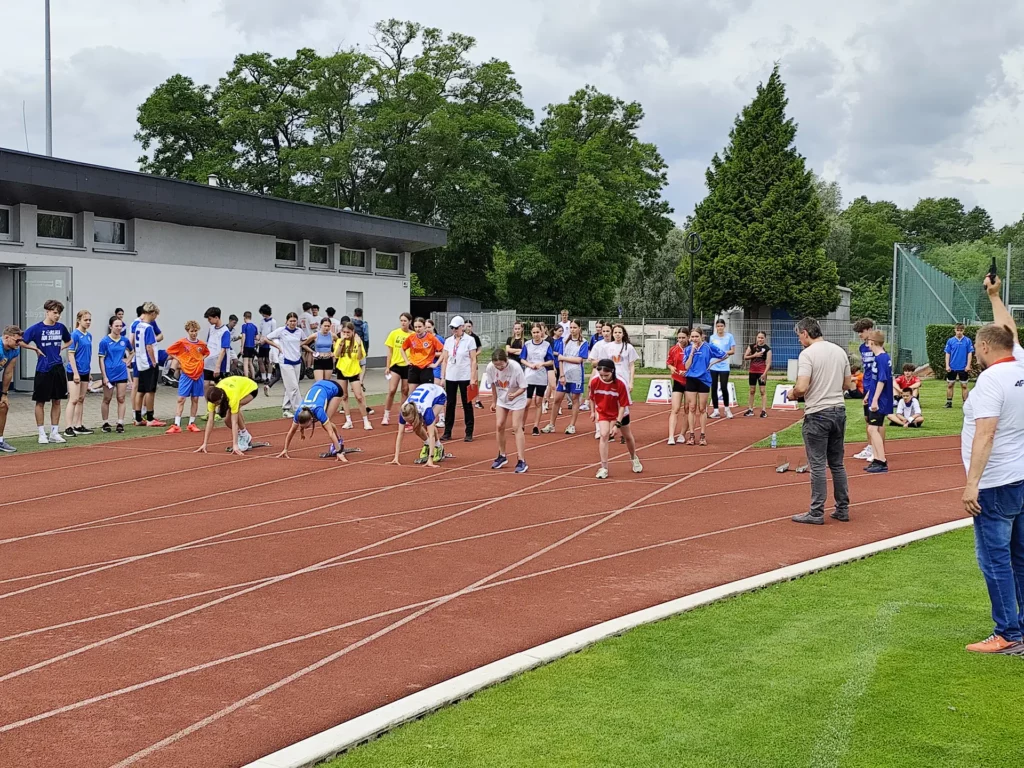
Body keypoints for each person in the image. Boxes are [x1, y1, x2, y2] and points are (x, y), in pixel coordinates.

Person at [960, 275, 1024, 655]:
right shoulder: (1020, 366)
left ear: (983, 347)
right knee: (1018, 556)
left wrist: (972, 485)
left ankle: (1007, 633)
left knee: (994, 559)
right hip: (1019, 477)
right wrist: (995, 297)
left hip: (995, 483)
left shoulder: (990, 381)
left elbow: (985, 433)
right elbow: (1010, 332)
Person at [786, 317, 853, 526]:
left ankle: (816, 512)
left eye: (799, 336)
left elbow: (802, 387)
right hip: (838, 410)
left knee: (817, 465)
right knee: (837, 464)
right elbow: (848, 384)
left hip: (817, 413)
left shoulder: (807, 354)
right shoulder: (840, 351)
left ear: (805, 333)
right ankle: (842, 508)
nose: (799, 340)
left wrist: (792, 393)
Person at [23, 299, 73, 444]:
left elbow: (69, 341)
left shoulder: (61, 328)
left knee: (57, 400)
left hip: (57, 367)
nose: (57, 316)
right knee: (40, 401)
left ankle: (54, 432)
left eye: (59, 313)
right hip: (43, 368)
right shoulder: (36, 328)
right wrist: (35, 349)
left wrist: (61, 348)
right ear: (47, 312)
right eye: (55, 313)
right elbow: (21, 341)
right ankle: (41, 433)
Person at [589, 358, 643, 479]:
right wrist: (593, 412)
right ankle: (604, 467)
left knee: (627, 436)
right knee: (604, 435)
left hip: (620, 413)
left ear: (612, 371)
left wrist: (617, 424)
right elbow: (592, 397)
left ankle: (634, 457)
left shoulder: (620, 384)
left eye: (606, 375)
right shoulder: (594, 381)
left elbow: (622, 406)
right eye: (601, 375)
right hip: (603, 412)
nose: (603, 378)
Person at [276, 379, 348, 462]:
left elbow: (330, 432)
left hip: (335, 388)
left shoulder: (318, 411)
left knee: (326, 423)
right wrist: (285, 449)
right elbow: (291, 431)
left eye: (307, 426)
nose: (305, 429)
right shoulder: (299, 412)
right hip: (319, 385)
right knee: (326, 422)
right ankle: (337, 444)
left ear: (311, 419)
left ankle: (339, 444)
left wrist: (339, 452)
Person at [486, 348, 528, 472]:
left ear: (506, 361)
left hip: (517, 398)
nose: (499, 368)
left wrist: (515, 395)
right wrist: (494, 401)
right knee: (499, 425)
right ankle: (502, 455)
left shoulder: (515, 367)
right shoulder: (490, 368)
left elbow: (524, 387)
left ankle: (521, 460)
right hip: (502, 398)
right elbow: (493, 385)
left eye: (501, 365)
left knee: (516, 426)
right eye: (496, 365)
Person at [1, 325, 42, 452]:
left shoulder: (15, 350)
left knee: (3, 406)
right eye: (17, 341)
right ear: (7, 337)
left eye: (20, 341)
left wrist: (4, 394)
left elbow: (8, 372)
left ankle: (0, 440)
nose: (19, 343)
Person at [195, 375, 259, 456]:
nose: (215, 405)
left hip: (251, 388)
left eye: (217, 403)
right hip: (235, 385)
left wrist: (235, 445)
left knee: (236, 407)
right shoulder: (212, 400)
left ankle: (244, 435)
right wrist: (204, 443)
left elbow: (234, 422)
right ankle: (244, 435)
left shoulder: (232, 397)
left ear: (221, 399)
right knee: (227, 421)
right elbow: (210, 421)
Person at [387, 383, 447, 468]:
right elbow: (400, 433)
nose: (408, 423)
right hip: (424, 391)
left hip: (439, 395)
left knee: (428, 424)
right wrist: (396, 457)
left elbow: (431, 435)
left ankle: (438, 446)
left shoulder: (426, 410)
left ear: (415, 415)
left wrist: (430, 459)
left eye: (410, 420)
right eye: (406, 421)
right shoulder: (404, 411)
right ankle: (427, 443)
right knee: (416, 426)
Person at [544, 320, 589, 435]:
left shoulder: (583, 342)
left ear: (579, 329)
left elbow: (580, 359)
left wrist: (565, 358)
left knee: (575, 400)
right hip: (565, 374)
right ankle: (551, 424)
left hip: (577, 375)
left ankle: (572, 425)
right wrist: (562, 374)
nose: (572, 330)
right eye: (571, 327)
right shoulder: (564, 341)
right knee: (557, 399)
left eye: (575, 327)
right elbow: (559, 358)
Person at [166, 321, 210, 434]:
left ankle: (191, 423)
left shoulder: (201, 344)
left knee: (195, 399)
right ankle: (176, 424)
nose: (194, 333)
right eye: (191, 331)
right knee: (181, 399)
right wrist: (180, 359)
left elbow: (207, 352)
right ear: (187, 331)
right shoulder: (182, 342)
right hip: (186, 374)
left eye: (195, 331)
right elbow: (169, 350)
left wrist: (200, 360)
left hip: (198, 374)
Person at [440, 315, 478, 442]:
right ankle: (447, 431)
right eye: (452, 328)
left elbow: (473, 360)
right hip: (451, 376)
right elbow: (445, 360)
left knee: (467, 404)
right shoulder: (448, 341)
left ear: (462, 327)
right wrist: (442, 377)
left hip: (465, 376)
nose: (454, 330)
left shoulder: (470, 340)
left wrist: (473, 378)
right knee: (450, 404)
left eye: (456, 328)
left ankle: (469, 432)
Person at [334, 321, 373, 430]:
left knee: (359, 396)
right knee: (344, 396)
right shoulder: (339, 341)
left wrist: (360, 345)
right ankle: (348, 420)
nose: (346, 334)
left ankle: (366, 421)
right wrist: (341, 343)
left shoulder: (357, 342)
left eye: (348, 332)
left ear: (353, 332)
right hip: (342, 370)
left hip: (354, 371)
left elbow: (360, 357)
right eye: (344, 332)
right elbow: (336, 355)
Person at [263, 313, 304, 418]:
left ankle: (286, 408)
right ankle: (299, 409)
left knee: (291, 386)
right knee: (293, 386)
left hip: (297, 361)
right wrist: (277, 346)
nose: (293, 323)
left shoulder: (299, 331)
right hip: (285, 361)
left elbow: (305, 340)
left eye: (294, 321)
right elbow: (266, 338)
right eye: (291, 321)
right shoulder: (281, 331)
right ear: (287, 321)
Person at [864, 330, 893, 474]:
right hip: (875, 397)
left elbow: (882, 380)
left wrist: (875, 399)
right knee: (872, 427)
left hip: (880, 399)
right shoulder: (879, 357)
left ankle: (881, 460)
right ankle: (876, 458)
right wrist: (869, 394)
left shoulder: (882, 358)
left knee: (872, 428)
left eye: (868, 341)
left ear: (872, 342)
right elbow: (876, 380)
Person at [98, 317, 133, 434]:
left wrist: (128, 360)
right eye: (116, 326)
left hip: (121, 372)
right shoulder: (104, 341)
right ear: (110, 327)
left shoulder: (125, 340)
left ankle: (120, 422)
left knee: (121, 398)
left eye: (120, 326)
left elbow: (132, 351)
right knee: (107, 398)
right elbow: (101, 359)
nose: (118, 328)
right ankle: (105, 422)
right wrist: (104, 376)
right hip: (109, 373)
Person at [63, 310, 94, 437]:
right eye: (85, 320)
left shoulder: (89, 335)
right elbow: (70, 354)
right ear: (79, 320)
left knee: (81, 399)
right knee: (74, 399)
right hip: (75, 371)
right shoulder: (74, 335)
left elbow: (88, 354)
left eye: (89, 320)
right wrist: (75, 373)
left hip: (85, 371)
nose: (88, 322)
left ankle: (78, 425)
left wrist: (89, 371)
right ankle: (68, 427)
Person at [130, 304, 164, 421]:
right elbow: (149, 346)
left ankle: (138, 417)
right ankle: (150, 417)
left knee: (141, 390)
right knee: (150, 390)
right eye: (155, 315)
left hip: (140, 362)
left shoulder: (138, 325)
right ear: (152, 313)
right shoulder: (148, 327)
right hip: (149, 362)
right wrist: (154, 361)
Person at [520, 322, 555, 436]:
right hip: (529, 376)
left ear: (542, 332)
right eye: (534, 332)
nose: (536, 335)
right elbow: (522, 359)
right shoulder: (527, 344)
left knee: (538, 402)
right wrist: (529, 365)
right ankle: (521, 425)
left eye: (538, 332)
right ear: (531, 333)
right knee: (527, 402)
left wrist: (542, 364)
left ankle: (536, 426)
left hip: (541, 376)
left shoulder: (546, 345)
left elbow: (551, 360)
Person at [682, 327, 715, 446]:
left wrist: (713, 363)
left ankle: (702, 435)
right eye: (693, 337)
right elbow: (686, 366)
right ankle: (691, 435)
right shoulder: (687, 349)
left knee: (702, 409)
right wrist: (692, 353)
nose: (695, 339)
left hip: (704, 380)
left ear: (702, 336)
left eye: (697, 336)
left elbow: (724, 354)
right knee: (691, 407)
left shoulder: (708, 347)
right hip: (691, 379)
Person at [852, 318, 876, 462]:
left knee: (876, 419)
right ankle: (870, 446)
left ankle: (878, 449)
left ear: (869, 330)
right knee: (867, 417)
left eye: (861, 331)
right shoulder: (862, 348)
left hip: (874, 386)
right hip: (866, 385)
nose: (859, 334)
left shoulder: (876, 346)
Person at [382, 313, 413, 426]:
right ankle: (386, 415)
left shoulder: (413, 335)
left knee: (405, 391)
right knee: (392, 390)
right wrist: (387, 366)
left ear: (410, 322)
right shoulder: (394, 333)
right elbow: (389, 351)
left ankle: (403, 415)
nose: (403, 322)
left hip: (408, 365)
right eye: (401, 320)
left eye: (405, 320)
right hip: (395, 365)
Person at [401, 317, 444, 387]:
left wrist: (436, 364)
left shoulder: (431, 338)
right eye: (416, 327)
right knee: (412, 393)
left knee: (426, 392)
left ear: (424, 327)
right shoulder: (411, 337)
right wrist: (406, 361)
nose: (418, 329)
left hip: (426, 368)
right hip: (414, 367)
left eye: (420, 326)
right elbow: (402, 348)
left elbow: (443, 351)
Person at [708, 318, 736, 419]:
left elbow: (732, 351)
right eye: (718, 326)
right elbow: (710, 350)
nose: (720, 328)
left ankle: (727, 409)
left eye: (721, 326)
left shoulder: (729, 337)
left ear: (724, 327)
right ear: (716, 327)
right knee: (714, 387)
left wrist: (723, 353)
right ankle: (716, 410)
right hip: (714, 365)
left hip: (724, 365)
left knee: (724, 387)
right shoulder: (712, 337)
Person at [666, 327, 688, 444]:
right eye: (679, 338)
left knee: (687, 409)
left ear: (688, 337)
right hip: (678, 381)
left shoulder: (692, 349)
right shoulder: (673, 349)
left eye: (683, 338)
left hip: (690, 381)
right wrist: (671, 367)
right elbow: (669, 362)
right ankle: (671, 436)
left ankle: (682, 434)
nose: (681, 340)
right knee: (675, 409)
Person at [202, 307, 232, 390]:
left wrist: (217, 366)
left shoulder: (225, 331)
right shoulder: (211, 328)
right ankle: (208, 402)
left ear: (216, 318)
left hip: (219, 364)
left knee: (220, 386)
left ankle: (221, 402)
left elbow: (223, 350)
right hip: (208, 362)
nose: (209, 321)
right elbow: (208, 344)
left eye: (210, 319)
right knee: (205, 384)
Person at [945, 324, 974, 408]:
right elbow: (947, 353)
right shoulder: (950, 341)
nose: (959, 332)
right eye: (957, 330)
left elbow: (970, 353)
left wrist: (968, 365)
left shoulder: (967, 341)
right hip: (952, 367)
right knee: (950, 384)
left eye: (961, 330)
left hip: (963, 367)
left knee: (964, 385)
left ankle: (965, 403)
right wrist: (947, 365)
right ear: (955, 330)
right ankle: (949, 402)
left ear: (963, 331)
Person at [743, 331, 771, 418]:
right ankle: (750, 409)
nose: (760, 339)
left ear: (765, 339)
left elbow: (769, 362)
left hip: (761, 372)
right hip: (752, 371)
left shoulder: (767, 349)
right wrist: (754, 355)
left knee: (762, 391)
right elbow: (745, 357)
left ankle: (764, 410)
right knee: (752, 390)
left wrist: (764, 373)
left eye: (762, 338)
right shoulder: (752, 346)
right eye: (759, 337)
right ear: (756, 338)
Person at [305, 317, 337, 382]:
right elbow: (304, 344)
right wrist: (313, 352)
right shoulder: (315, 335)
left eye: (328, 326)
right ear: (321, 325)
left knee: (326, 383)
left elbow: (340, 344)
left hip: (328, 360)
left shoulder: (332, 335)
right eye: (325, 326)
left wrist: (334, 353)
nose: (327, 328)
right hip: (318, 360)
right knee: (319, 383)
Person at [464, 320, 486, 409]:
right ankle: (467, 400)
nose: (467, 328)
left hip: (473, 362)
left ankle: (477, 400)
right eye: (466, 326)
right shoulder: (462, 337)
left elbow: (479, 349)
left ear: (471, 327)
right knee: (465, 382)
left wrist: (473, 355)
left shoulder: (475, 337)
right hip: (464, 363)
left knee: (475, 381)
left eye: (469, 326)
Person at [257, 304, 278, 393]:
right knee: (260, 360)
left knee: (268, 361)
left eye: (263, 313)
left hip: (269, 343)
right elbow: (261, 332)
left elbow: (274, 333)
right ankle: (263, 377)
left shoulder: (273, 321)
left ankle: (269, 377)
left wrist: (266, 340)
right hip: (262, 343)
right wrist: (260, 340)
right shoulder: (262, 321)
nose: (263, 315)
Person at [239, 311, 259, 380]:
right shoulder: (254, 327)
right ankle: (253, 377)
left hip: (246, 346)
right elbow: (257, 338)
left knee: (245, 363)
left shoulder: (244, 326)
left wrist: (242, 347)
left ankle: (246, 379)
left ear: (244, 317)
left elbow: (243, 336)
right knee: (250, 362)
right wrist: (251, 337)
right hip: (252, 347)